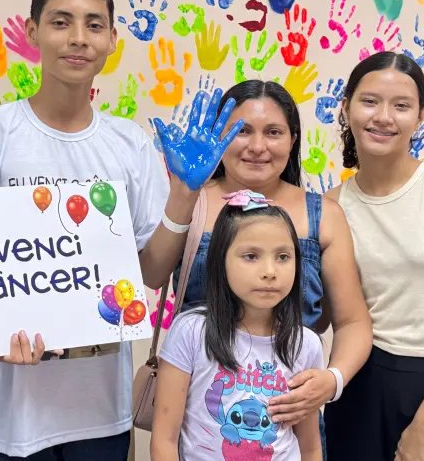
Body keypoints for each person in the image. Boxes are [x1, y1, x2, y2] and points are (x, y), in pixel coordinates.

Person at [0, 0, 242, 460]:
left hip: (99, 411)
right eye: (61, 22)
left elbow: (149, 270)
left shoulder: (128, 143)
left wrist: (185, 195)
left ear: (112, 40)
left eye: (94, 25)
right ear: (32, 31)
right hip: (7, 416)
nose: (78, 39)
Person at [149, 80, 372, 447]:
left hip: (286, 421)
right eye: (241, 131)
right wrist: (182, 196)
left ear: (293, 139)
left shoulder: (325, 215)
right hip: (201, 422)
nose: (257, 146)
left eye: (273, 132)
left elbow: (352, 321)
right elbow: (153, 275)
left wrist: (332, 379)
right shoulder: (193, 200)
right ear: (220, 136)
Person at [323, 51, 424, 460]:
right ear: (346, 107)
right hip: (357, 382)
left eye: (401, 106)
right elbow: (324, 314)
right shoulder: (330, 205)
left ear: (421, 115)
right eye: (370, 101)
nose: (383, 117)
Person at [150, 191, 324, 461]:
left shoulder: (305, 344)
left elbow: (310, 446)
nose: (270, 270)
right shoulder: (191, 332)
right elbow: (164, 440)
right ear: (221, 261)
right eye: (251, 256)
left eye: (283, 257)